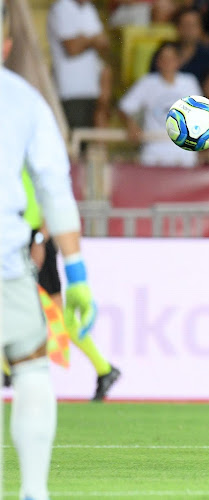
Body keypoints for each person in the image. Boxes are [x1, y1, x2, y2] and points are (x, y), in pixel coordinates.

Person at [2, 8, 97, 497]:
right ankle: (33, 493)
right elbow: (55, 192)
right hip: (4, 262)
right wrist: (76, 273)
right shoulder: (22, 100)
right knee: (30, 365)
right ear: (7, 43)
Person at [23, 171, 121, 401]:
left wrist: (40, 239)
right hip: (17, 238)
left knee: (55, 313)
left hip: (35, 240)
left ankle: (104, 369)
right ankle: (104, 369)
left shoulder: (27, 153)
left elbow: (52, 198)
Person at [119, 41, 202, 167]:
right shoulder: (147, 82)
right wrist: (132, 124)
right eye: (163, 58)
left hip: (184, 154)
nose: (167, 62)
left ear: (178, 61)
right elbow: (124, 107)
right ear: (157, 61)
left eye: (171, 58)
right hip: (153, 152)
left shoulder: (189, 82)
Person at [47, 0, 111, 128]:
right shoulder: (61, 7)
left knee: (86, 141)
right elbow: (72, 48)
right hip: (70, 91)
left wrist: (84, 39)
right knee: (75, 139)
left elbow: (105, 43)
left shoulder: (89, 9)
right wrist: (93, 39)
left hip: (91, 88)